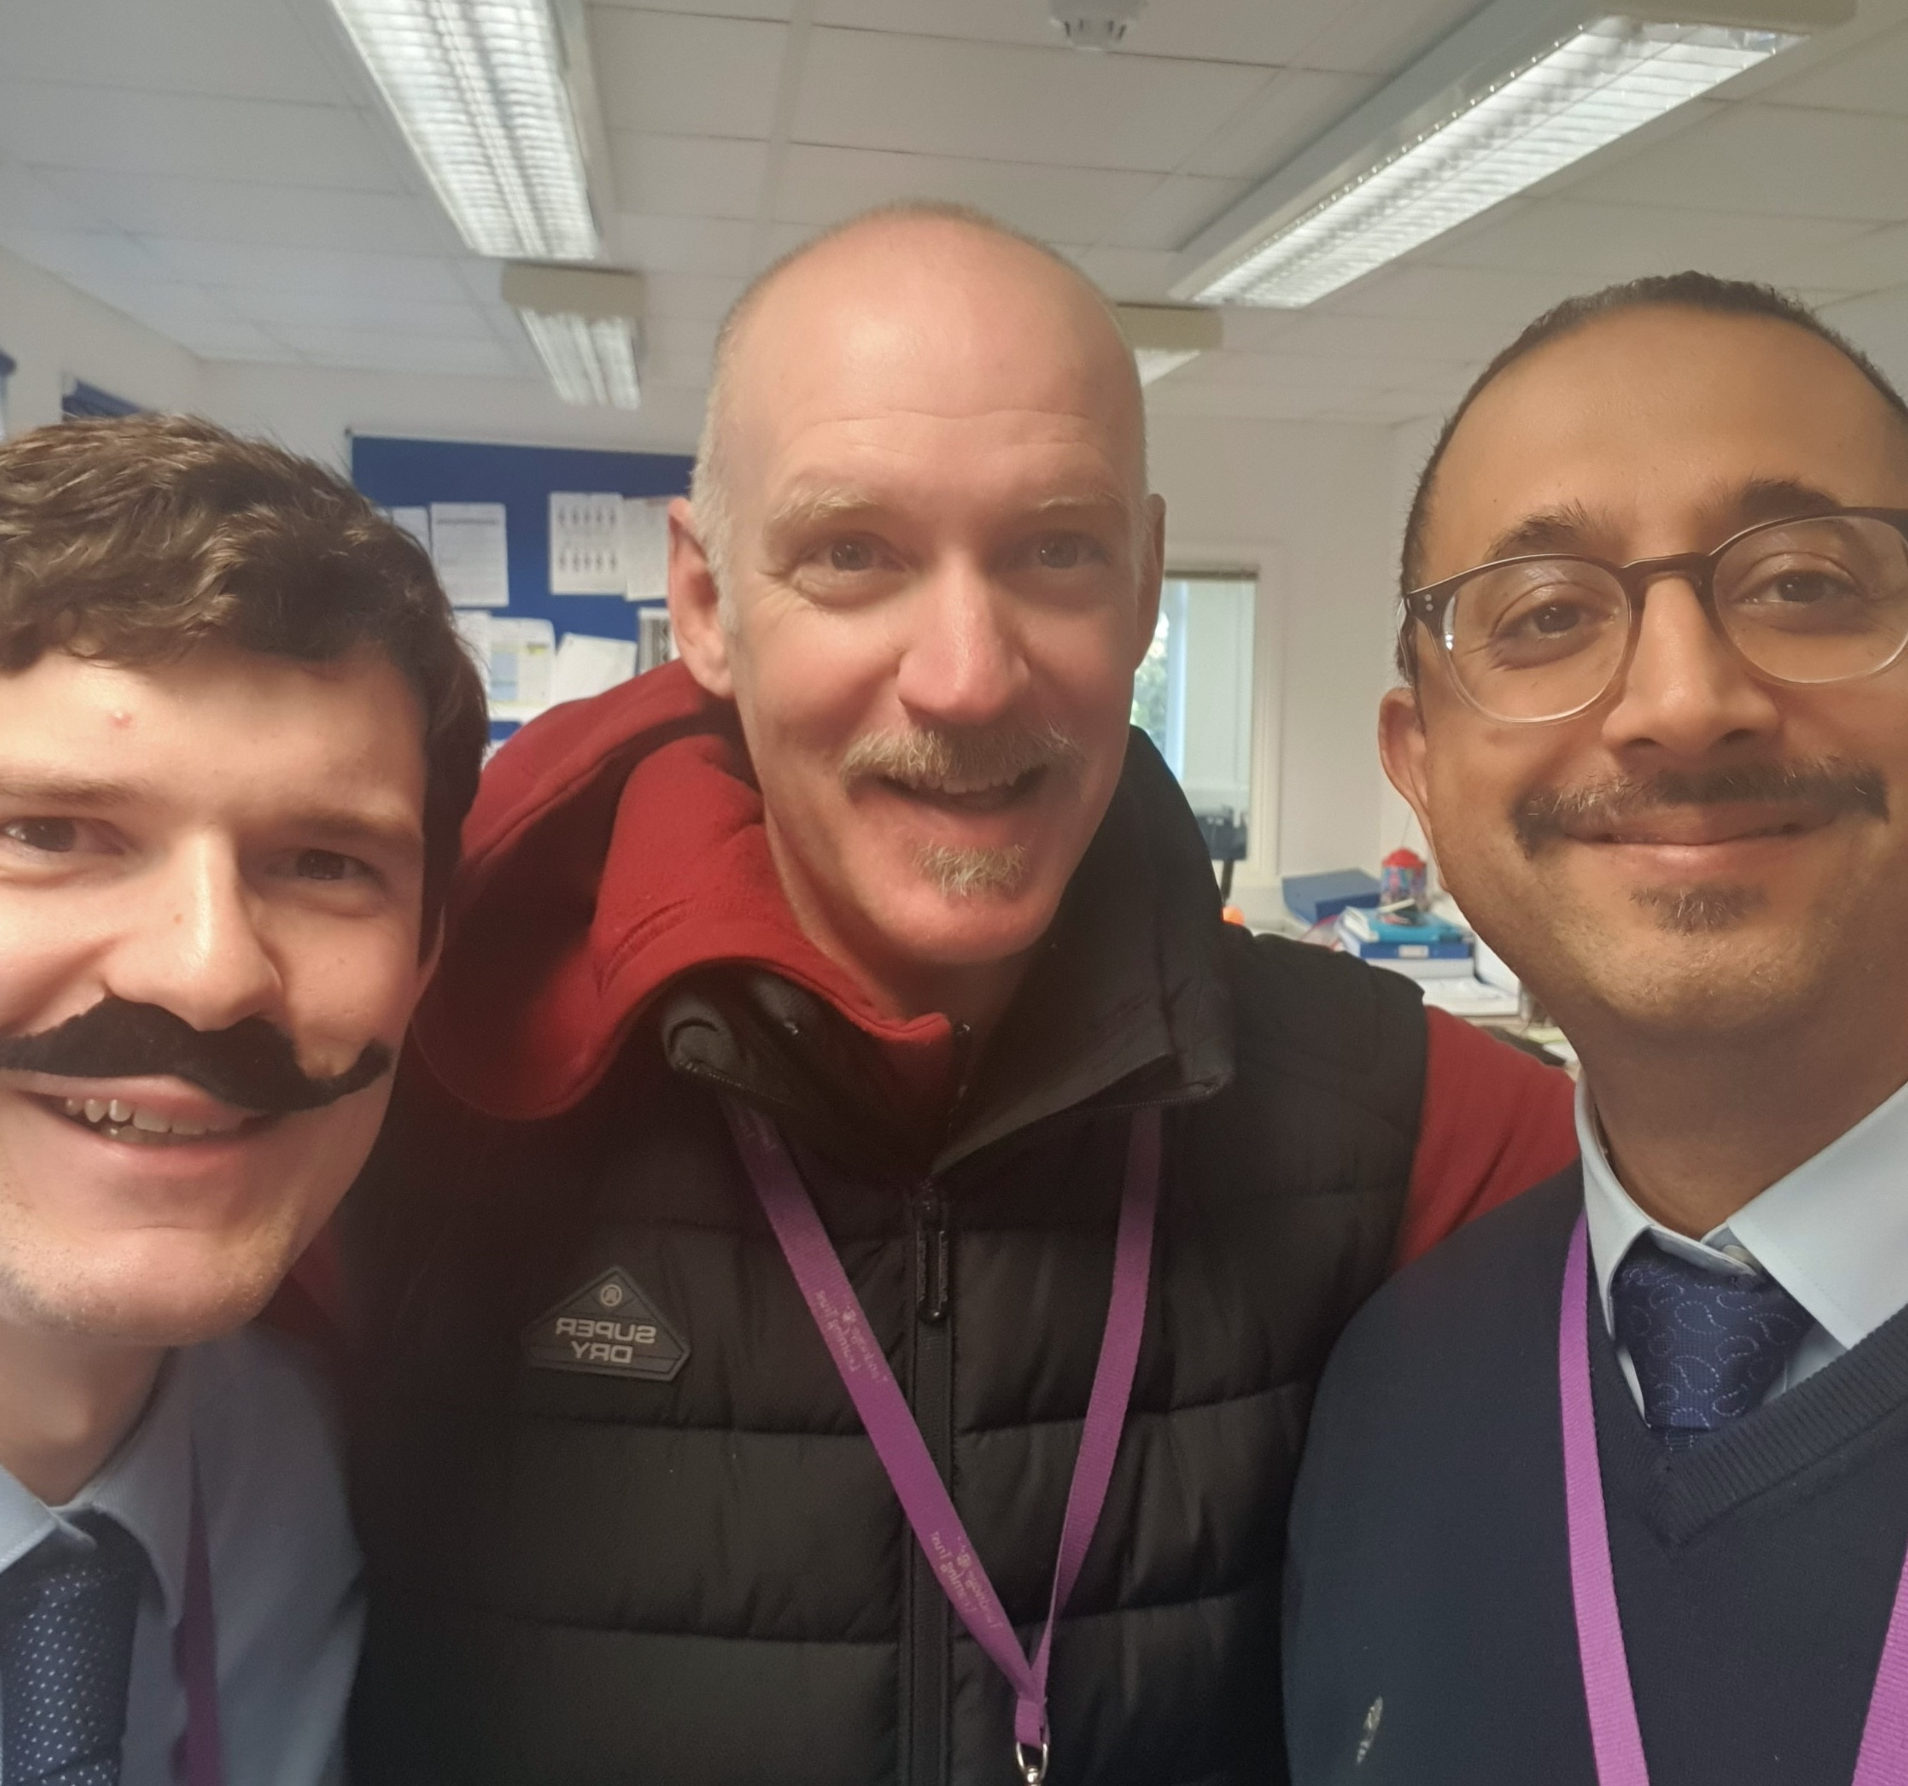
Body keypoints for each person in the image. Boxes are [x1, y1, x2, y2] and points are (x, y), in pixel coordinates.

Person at [347, 203, 1574, 1786]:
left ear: (1142, 584)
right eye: (852, 554)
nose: (968, 674)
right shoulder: (412, 1109)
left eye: (1054, 551)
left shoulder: (1418, 1124)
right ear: (709, 605)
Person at [1283, 274, 1908, 1786]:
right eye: (1549, 615)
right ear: (1417, 765)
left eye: (1807, 584)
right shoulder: (1392, 1397)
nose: (1685, 702)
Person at [0, 416, 486, 1786]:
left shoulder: (337, 1469)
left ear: (426, 961)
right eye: (48, 833)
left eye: (329, 862)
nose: (212, 970)